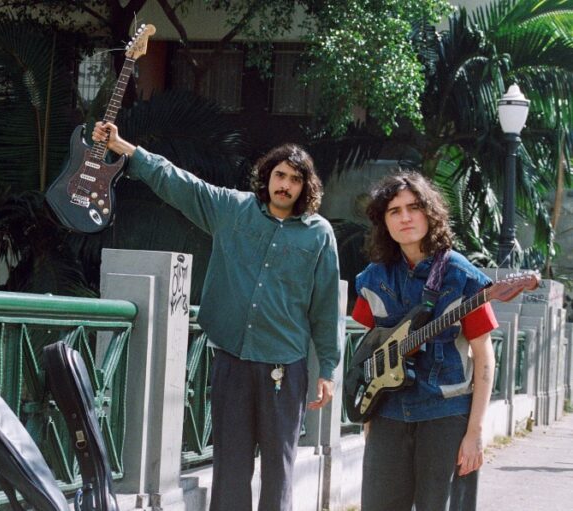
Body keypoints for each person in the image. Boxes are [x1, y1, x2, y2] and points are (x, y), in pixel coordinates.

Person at [91, 121, 341, 511]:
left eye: (295, 179)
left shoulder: (319, 234)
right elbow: (180, 183)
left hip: (284, 368)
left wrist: (327, 369)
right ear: (267, 176)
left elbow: (326, 306)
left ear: (305, 187)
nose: (285, 185)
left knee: (279, 469)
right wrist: (124, 148)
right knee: (230, 468)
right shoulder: (232, 210)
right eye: (280, 175)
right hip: (232, 361)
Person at [351, 171, 497, 511]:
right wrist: (368, 417)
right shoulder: (372, 278)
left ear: (429, 213)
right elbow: (368, 348)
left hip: (446, 415)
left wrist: (475, 431)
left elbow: (484, 355)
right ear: (384, 222)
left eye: (414, 207)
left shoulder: (463, 276)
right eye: (394, 210)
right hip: (387, 414)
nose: (405, 217)